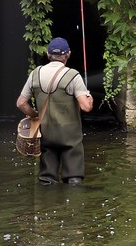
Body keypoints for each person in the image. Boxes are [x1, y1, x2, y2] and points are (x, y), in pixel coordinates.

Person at [16, 37, 93, 185]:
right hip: (70, 137)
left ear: (48, 54)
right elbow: (85, 107)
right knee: (74, 180)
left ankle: (46, 204)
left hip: (46, 134)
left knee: (46, 179)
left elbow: (21, 103)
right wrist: (89, 98)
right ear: (68, 54)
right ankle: (73, 202)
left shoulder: (35, 74)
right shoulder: (73, 75)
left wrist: (35, 116)